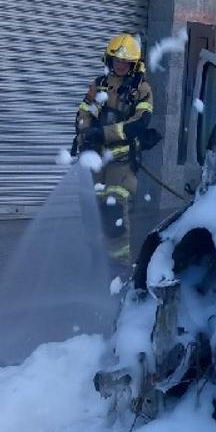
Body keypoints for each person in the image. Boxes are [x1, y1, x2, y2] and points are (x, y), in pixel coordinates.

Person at [73, 33, 155, 262]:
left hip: (122, 163)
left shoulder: (141, 89)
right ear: (109, 60)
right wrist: (86, 134)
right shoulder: (99, 85)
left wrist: (105, 134)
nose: (120, 65)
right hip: (96, 160)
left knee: (114, 213)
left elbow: (140, 122)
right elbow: (84, 112)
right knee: (93, 214)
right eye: (116, 60)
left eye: (125, 62)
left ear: (133, 64)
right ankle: (96, 260)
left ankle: (118, 268)